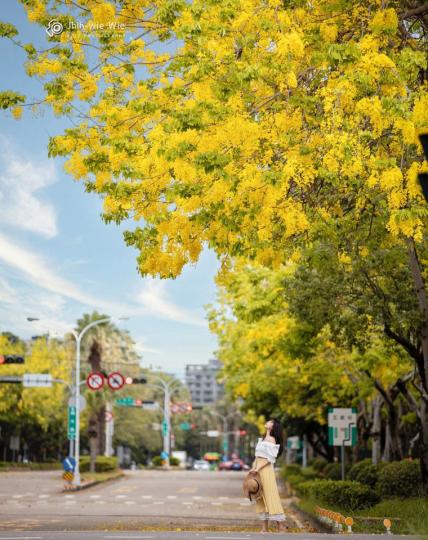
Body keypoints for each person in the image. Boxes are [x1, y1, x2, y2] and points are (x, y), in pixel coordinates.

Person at [251, 418, 287, 533]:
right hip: (256, 469)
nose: (267, 422)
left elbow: (269, 459)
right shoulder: (262, 439)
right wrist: (253, 468)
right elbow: (258, 456)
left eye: (270, 422)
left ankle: (281, 526)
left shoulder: (272, 439)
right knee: (259, 497)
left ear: (273, 426)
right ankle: (264, 528)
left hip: (265, 470)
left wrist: (258, 468)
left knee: (270, 496)